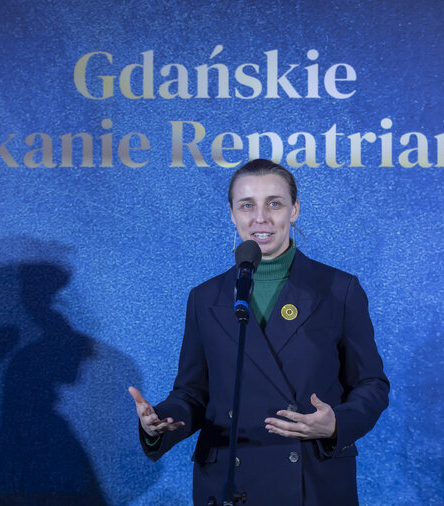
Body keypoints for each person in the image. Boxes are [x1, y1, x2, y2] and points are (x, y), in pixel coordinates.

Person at [129, 159, 389, 505]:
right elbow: (193, 393)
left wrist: (337, 424)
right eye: (247, 205)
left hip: (311, 479)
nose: (260, 218)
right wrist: (160, 420)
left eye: (274, 203)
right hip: (230, 481)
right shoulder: (205, 298)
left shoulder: (338, 290)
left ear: (294, 210)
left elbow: (372, 384)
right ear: (232, 215)